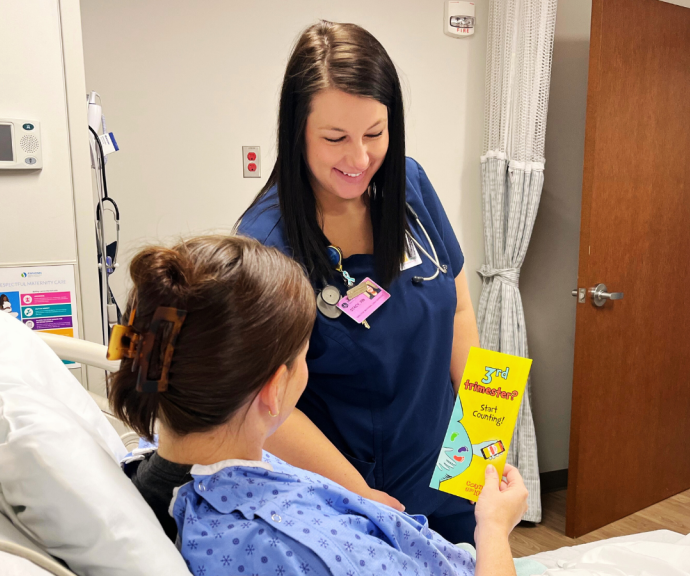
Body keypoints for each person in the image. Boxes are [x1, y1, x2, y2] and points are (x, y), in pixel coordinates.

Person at [108, 235, 528, 576]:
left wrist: (364, 499)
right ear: (275, 390)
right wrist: (494, 527)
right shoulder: (285, 546)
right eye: (304, 356)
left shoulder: (156, 474)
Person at [236, 21, 481, 543]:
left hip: (454, 469)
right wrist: (362, 498)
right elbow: (267, 402)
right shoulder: (266, 243)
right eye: (335, 138)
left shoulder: (409, 185)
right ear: (296, 130)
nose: (360, 159)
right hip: (347, 500)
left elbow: (458, 309)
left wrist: (487, 433)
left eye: (375, 133)